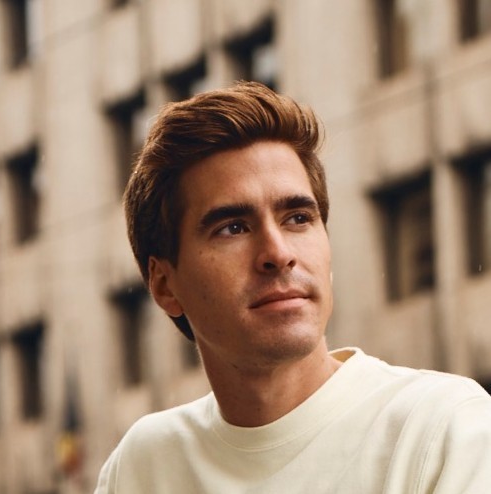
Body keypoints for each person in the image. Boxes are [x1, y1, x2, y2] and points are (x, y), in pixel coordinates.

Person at [95, 81, 491, 493]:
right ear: (165, 285)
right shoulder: (143, 466)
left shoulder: (442, 429)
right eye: (232, 228)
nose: (278, 253)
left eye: (298, 219)